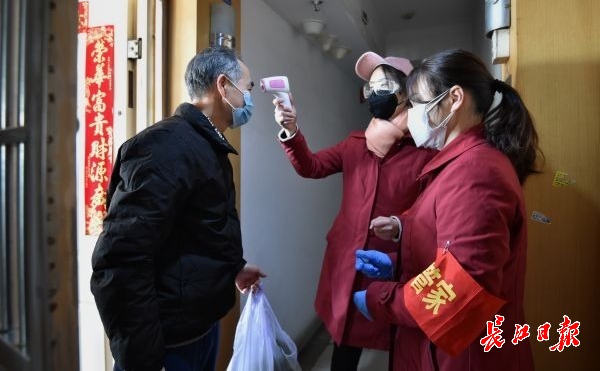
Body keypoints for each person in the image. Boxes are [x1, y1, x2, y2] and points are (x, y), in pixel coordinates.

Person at [353, 49, 540, 371]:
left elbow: (461, 288)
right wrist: (398, 264)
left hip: (464, 356)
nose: (409, 114)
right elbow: (450, 249)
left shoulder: (475, 172)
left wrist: (380, 299)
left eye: (416, 103)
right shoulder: (459, 163)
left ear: (454, 99)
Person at [91, 47, 266, 371]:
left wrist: (233, 267)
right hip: (166, 345)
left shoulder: (206, 145)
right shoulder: (165, 147)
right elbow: (121, 258)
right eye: (248, 87)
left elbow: (196, 230)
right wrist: (144, 358)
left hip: (199, 329)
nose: (250, 98)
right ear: (223, 85)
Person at [273, 52, 437, 371]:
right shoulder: (354, 144)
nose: (375, 93)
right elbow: (312, 167)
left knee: (399, 337)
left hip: (391, 265)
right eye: (370, 87)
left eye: (384, 86)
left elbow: (432, 210)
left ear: (406, 93)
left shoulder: (424, 152)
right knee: (345, 336)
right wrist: (291, 130)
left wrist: (401, 223)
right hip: (348, 262)